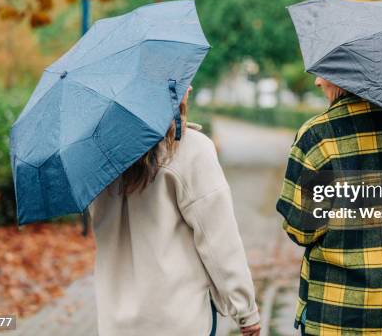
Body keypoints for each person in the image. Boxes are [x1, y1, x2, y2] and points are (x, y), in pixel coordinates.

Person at [277, 77, 382, 336]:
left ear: (343, 76)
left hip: (336, 317)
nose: (318, 82)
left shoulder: (318, 136)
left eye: (323, 73)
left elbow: (301, 230)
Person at [90, 86, 261, 336]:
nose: (189, 87)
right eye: (179, 81)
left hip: (115, 324)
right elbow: (219, 242)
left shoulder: (97, 157)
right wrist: (245, 311)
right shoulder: (190, 150)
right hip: (177, 320)